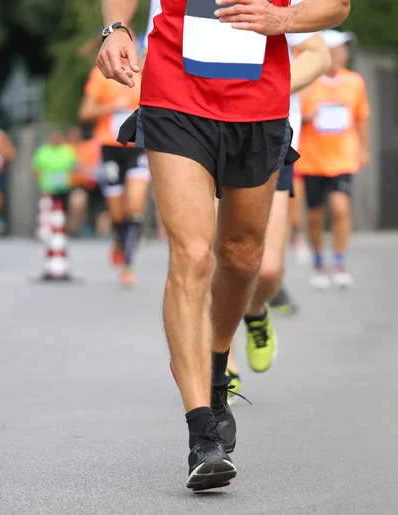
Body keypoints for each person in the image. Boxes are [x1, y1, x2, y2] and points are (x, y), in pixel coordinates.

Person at [97, 0, 350, 491]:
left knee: (242, 254)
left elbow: (337, 6)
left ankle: (216, 367)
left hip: (259, 106)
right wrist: (116, 26)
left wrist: (288, 20)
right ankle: (201, 432)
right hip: (175, 98)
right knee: (192, 253)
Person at [226, 20, 332, 395]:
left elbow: (319, 54)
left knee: (266, 269)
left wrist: (262, 92)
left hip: (270, 135)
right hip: (204, 135)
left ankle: (255, 312)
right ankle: (223, 365)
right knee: (210, 259)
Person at [296, 29, 369, 290]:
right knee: (315, 215)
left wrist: (363, 148)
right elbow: (293, 115)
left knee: (340, 206)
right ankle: (318, 260)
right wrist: (309, 117)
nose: (341, 54)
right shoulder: (307, 81)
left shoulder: (354, 82)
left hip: (342, 157)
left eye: (343, 49)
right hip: (312, 159)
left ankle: (338, 261)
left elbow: (361, 116)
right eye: (336, 49)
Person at [78, 57, 151, 287]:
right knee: (117, 214)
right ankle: (120, 239)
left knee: (136, 205)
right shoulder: (101, 74)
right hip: (110, 150)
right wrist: (113, 106)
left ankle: (128, 266)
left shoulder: (144, 72)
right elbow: (85, 112)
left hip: (137, 148)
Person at [66, 126, 110, 238]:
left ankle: (102, 236)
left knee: (104, 214)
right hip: (82, 185)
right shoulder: (75, 148)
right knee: (77, 201)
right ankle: (72, 232)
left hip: (101, 186)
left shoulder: (101, 147)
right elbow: (75, 166)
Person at [32, 130, 77, 219]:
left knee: (63, 212)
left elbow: (74, 166)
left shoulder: (67, 150)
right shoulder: (43, 151)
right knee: (47, 210)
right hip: (48, 189)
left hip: (64, 188)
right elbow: (36, 168)